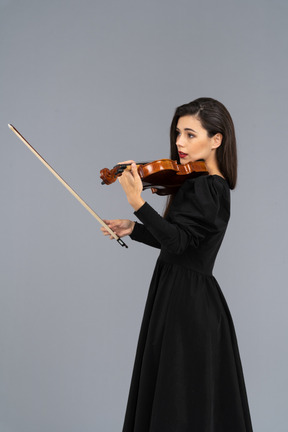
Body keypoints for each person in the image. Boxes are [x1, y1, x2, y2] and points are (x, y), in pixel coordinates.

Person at [101, 98, 253, 432]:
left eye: (189, 134)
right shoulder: (194, 182)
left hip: (189, 302)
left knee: (181, 397)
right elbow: (178, 240)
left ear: (216, 139)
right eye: (177, 133)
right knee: (171, 390)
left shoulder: (212, 188)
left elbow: (179, 244)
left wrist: (137, 202)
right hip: (174, 290)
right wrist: (134, 228)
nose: (179, 143)